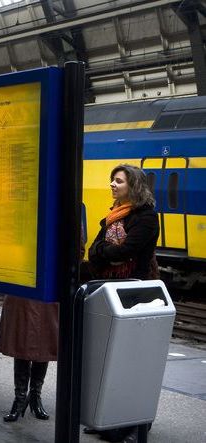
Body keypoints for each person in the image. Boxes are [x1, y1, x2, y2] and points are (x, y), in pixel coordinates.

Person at [86, 164, 159, 442]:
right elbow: (95, 251)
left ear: (134, 187)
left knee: (133, 362)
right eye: (112, 181)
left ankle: (134, 426)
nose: (113, 185)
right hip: (110, 293)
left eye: (119, 181)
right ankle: (107, 420)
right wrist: (106, 252)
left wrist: (105, 252)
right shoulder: (112, 217)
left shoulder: (146, 218)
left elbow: (128, 250)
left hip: (135, 295)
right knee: (109, 359)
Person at [0, 296, 58, 422]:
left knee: (43, 343)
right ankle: (20, 399)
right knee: (21, 343)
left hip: (46, 295)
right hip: (23, 292)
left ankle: (34, 397)